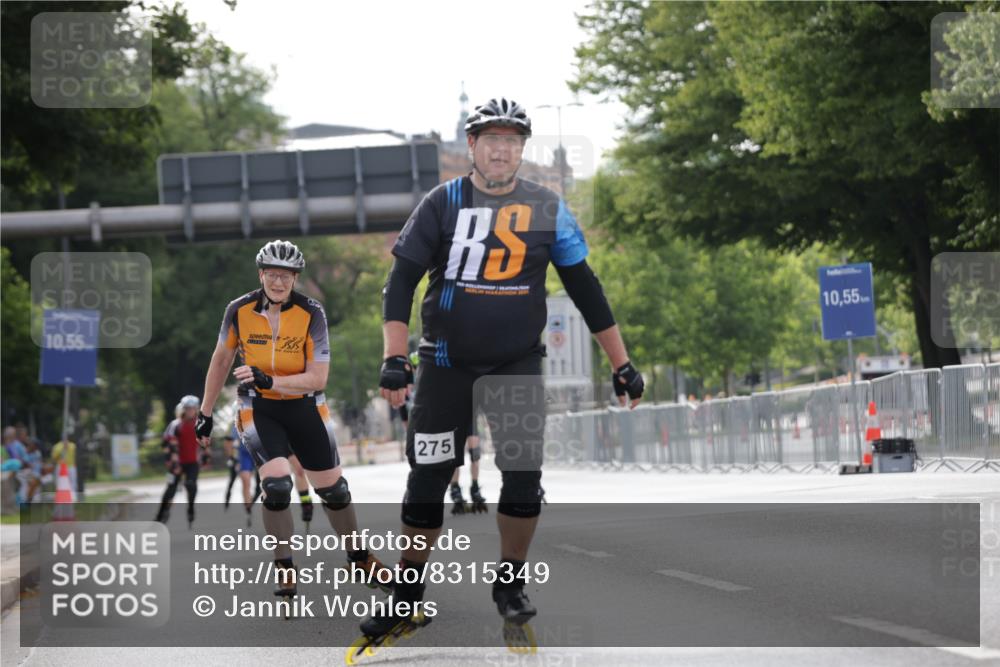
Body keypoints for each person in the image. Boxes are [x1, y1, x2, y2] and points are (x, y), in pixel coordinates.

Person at [364, 97, 644, 639]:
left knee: (522, 480)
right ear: (471, 145)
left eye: (512, 141)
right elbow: (400, 283)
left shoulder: (547, 205)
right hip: (445, 362)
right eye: (491, 139)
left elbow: (586, 288)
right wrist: (393, 358)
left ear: (521, 149)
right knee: (426, 481)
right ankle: (406, 597)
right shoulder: (441, 202)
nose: (501, 149)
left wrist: (622, 364)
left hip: (516, 362)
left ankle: (510, 583)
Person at [195, 239, 387, 598]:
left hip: (305, 405)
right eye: (272, 275)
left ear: (295, 279)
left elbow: (319, 377)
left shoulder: (312, 313)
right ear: (261, 275)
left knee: (334, 490)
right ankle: (284, 566)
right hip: (258, 407)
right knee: (279, 487)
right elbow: (221, 360)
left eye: (286, 276)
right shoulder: (238, 309)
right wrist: (205, 413)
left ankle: (359, 557)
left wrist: (275, 380)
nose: (278, 283)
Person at [155, 395, 211, 527]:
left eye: (193, 408)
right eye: (188, 408)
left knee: (191, 485)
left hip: (192, 462)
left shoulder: (199, 424)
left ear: (196, 409)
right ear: (183, 409)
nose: (190, 411)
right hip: (177, 463)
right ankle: (161, 514)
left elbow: (205, 444)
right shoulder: (175, 425)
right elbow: (167, 445)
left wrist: (205, 458)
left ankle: (190, 509)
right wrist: (172, 463)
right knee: (170, 490)